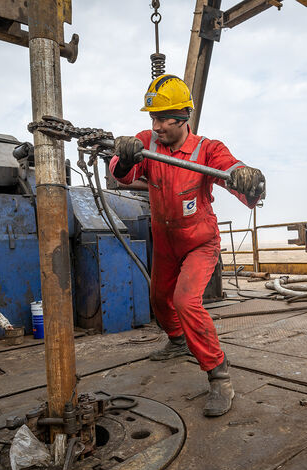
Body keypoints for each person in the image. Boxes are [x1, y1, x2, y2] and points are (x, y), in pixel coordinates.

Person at [109, 74, 265, 417]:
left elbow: (231, 168)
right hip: (165, 241)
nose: (156, 126)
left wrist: (246, 177)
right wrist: (125, 157)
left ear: (183, 118)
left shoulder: (206, 149)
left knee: (185, 301)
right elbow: (121, 174)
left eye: (163, 119)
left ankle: (219, 376)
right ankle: (178, 342)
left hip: (199, 241)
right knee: (158, 300)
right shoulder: (147, 143)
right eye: (153, 118)